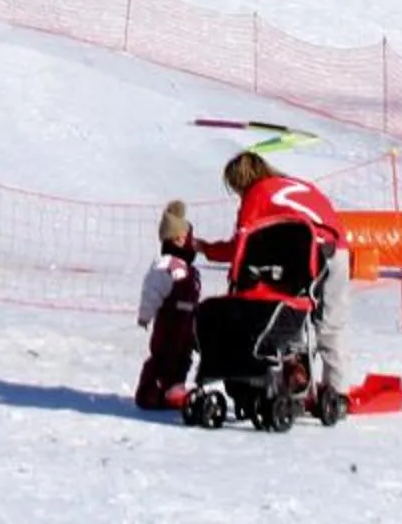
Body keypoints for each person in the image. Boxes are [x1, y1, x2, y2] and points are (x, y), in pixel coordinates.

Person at [201, 150, 350, 396]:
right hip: (337, 248)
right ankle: (337, 392)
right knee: (331, 326)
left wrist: (207, 249)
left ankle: (283, 379)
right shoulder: (298, 184)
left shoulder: (256, 194)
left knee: (285, 312)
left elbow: (242, 244)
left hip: (310, 253)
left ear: (241, 182)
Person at [134, 200, 203, 410]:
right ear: (176, 239)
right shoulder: (165, 266)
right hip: (169, 321)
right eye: (186, 239)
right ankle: (151, 389)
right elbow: (151, 292)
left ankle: (175, 387)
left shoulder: (191, 270)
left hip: (187, 322)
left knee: (183, 356)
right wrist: (145, 315)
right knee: (164, 354)